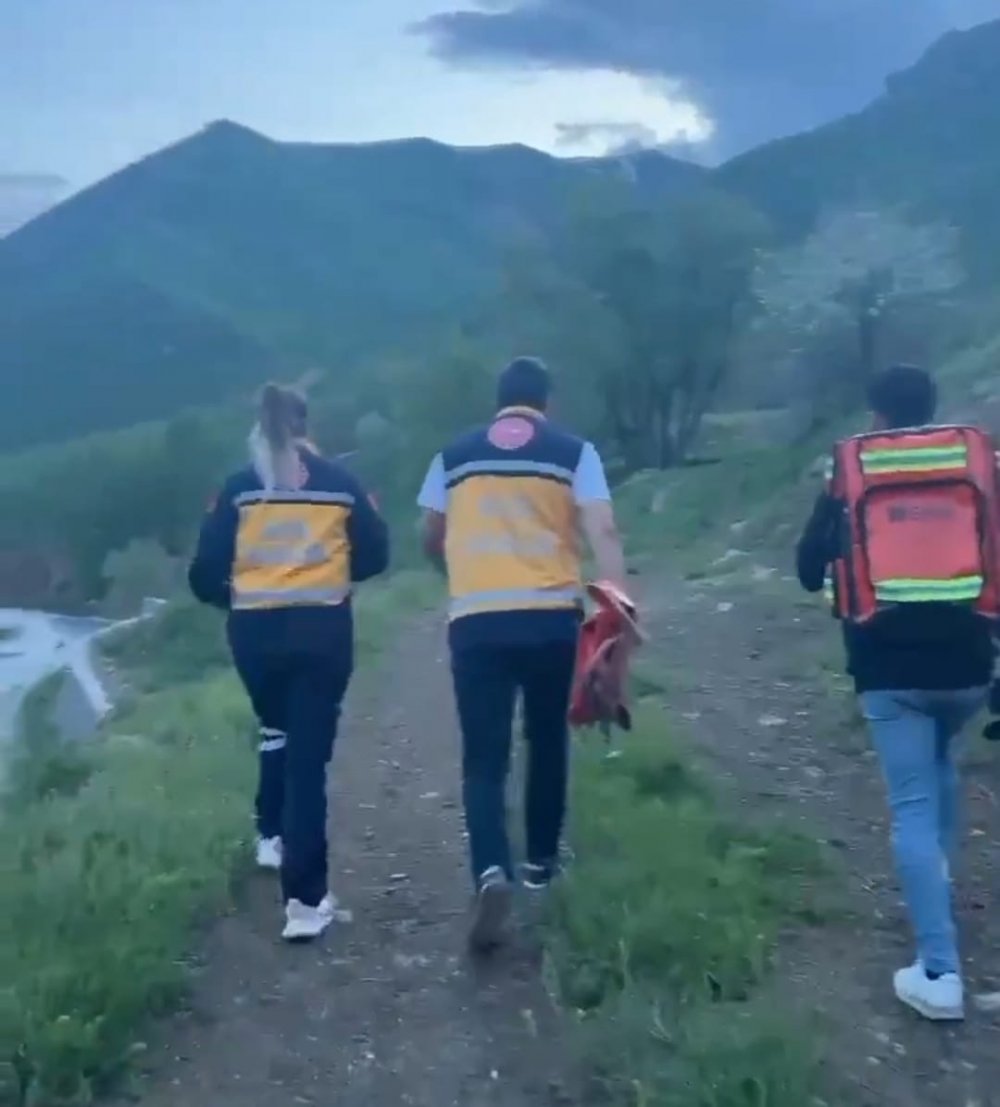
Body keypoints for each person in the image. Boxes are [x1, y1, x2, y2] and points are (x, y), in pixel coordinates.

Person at [796, 364, 993, 1021]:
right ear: (933, 407)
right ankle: (937, 884)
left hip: (888, 668)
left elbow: (807, 570)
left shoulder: (854, 468)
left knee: (912, 803)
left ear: (877, 415)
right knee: (942, 767)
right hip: (969, 664)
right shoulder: (974, 462)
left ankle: (939, 972)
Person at [417, 356, 628, 953]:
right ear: (546, 403)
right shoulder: (574, 452)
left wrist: (454, 572)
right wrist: (616, 611)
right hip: (550, 620)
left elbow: (429, 535)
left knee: (484, 757)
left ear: (499, 402)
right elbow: (604, 532)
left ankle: (490, 869)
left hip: (476, 621)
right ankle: (539, 866)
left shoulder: (453, 456)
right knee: (546, 739)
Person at [188, 383, 389, 942]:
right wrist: (335, 574)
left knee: (277, 730)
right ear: (306, 426)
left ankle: (270, 837)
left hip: (254, 637)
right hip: (322, 632)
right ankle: (304, 901)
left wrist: (237, 596)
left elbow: (203, 574)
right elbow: (377, 554)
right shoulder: (340, 483)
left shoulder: (238, 488)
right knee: (307, 762)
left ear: (259, 425)